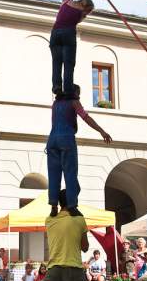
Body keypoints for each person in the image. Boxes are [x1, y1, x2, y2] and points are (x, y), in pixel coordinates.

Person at [47, 84, 112, 217]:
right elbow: (86, 118)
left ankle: (53, 205)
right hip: (67, 139)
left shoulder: (56, 104)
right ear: (73, 92)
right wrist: (102, 131)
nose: (79, 95)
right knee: (70, 174)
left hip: (52, 140)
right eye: (78, 92)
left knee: (54, 175)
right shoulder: (74, 102)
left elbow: (54, 122)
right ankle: (72, 205)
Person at [50, 0, 94, 97]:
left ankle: (57, 87)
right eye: (88, 11)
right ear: (85, 7)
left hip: (55, 34)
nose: (88, 13)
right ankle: (68, 89)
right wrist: (84, 14)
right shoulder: (80, 14)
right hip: (67, 34)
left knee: (57, 62)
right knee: (69, 63)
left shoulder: (66, 2)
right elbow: (79, 19)